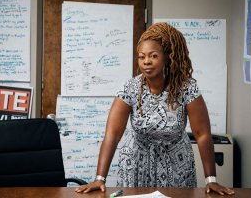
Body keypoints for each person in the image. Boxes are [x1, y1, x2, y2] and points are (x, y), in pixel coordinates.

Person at [75, 22, 235, 195]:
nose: (146, 62)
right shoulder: (130, 87)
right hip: (136, 166)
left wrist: (211, 180)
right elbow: (112, 135)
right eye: (141, 57)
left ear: (167, 56)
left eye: (153, 56)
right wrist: (100, 178)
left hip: (177, 168)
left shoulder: (187, 88)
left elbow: (202, 134)